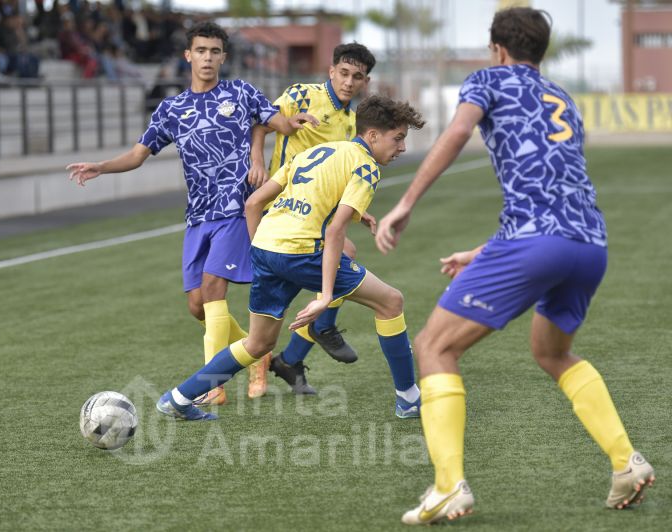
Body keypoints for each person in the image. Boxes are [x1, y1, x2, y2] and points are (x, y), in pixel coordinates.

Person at [373, 7, 655, 525]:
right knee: (552, 351)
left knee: (435, 346)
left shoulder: (487, 79)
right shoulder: (565, 99)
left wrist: (407, 202)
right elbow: (555, 188)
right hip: (590, 243)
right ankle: (625, 462)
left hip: (535, 242)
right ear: (540, 51)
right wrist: (484, 253)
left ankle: (447, 487)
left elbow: (458, 133)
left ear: (497, 50)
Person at [67, 21, 317, 406]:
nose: (208, 58)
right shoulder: (172, 109)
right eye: (201, 50)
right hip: (197, 216)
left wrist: (290, 123)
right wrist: (101, 166)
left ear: (223, 57)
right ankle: (257, 353)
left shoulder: (240, 91)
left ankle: (211, 386)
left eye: (215, 51)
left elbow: (271, 121)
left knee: (215, 290)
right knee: (198, 305)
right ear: (188, 55)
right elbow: (138, 155)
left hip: (235, 209)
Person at [156, 94, 425, 422]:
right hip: (301, 251)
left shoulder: (315, 152)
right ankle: (409, 399)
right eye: (397, 139)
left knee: (258, 343)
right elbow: (336, 231)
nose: (402, 148)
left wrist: (259, 254)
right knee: (391, 302)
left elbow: (253, 203)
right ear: (372, 136)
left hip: (267, 246)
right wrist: (326, 295)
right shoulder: (366, 165)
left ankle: (179, 398)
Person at [248, 42, 377, 396]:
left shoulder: (353, 121)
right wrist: (257, 158)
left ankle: (289, 359)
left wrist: (359, 209)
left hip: (316, 212)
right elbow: (264, 121)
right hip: (283, 204)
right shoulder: (302, 95)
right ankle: (315, 333)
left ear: (365, 81)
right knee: (341, 261)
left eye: (358, 77)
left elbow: (341, 171)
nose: (349, 82)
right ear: (331, 71)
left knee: (334, 269)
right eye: (345, 73)